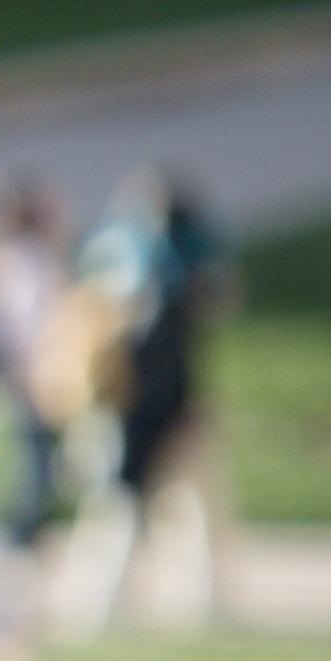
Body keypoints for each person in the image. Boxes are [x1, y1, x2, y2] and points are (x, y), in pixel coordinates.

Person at [66, 161, 236, 630]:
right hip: (140, 401)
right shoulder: (157, 263)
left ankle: (131, 596)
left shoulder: (113, 251)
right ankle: (123, 597)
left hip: (132, 400)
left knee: (158, 503)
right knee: (139, 501)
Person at [0, 172, 74, 550]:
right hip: (30, 364)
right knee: (35, 452)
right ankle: (26, 526)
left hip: (19, 365)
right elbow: (33, 316)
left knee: (32, 450)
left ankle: (27, 521)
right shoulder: (30, 259)